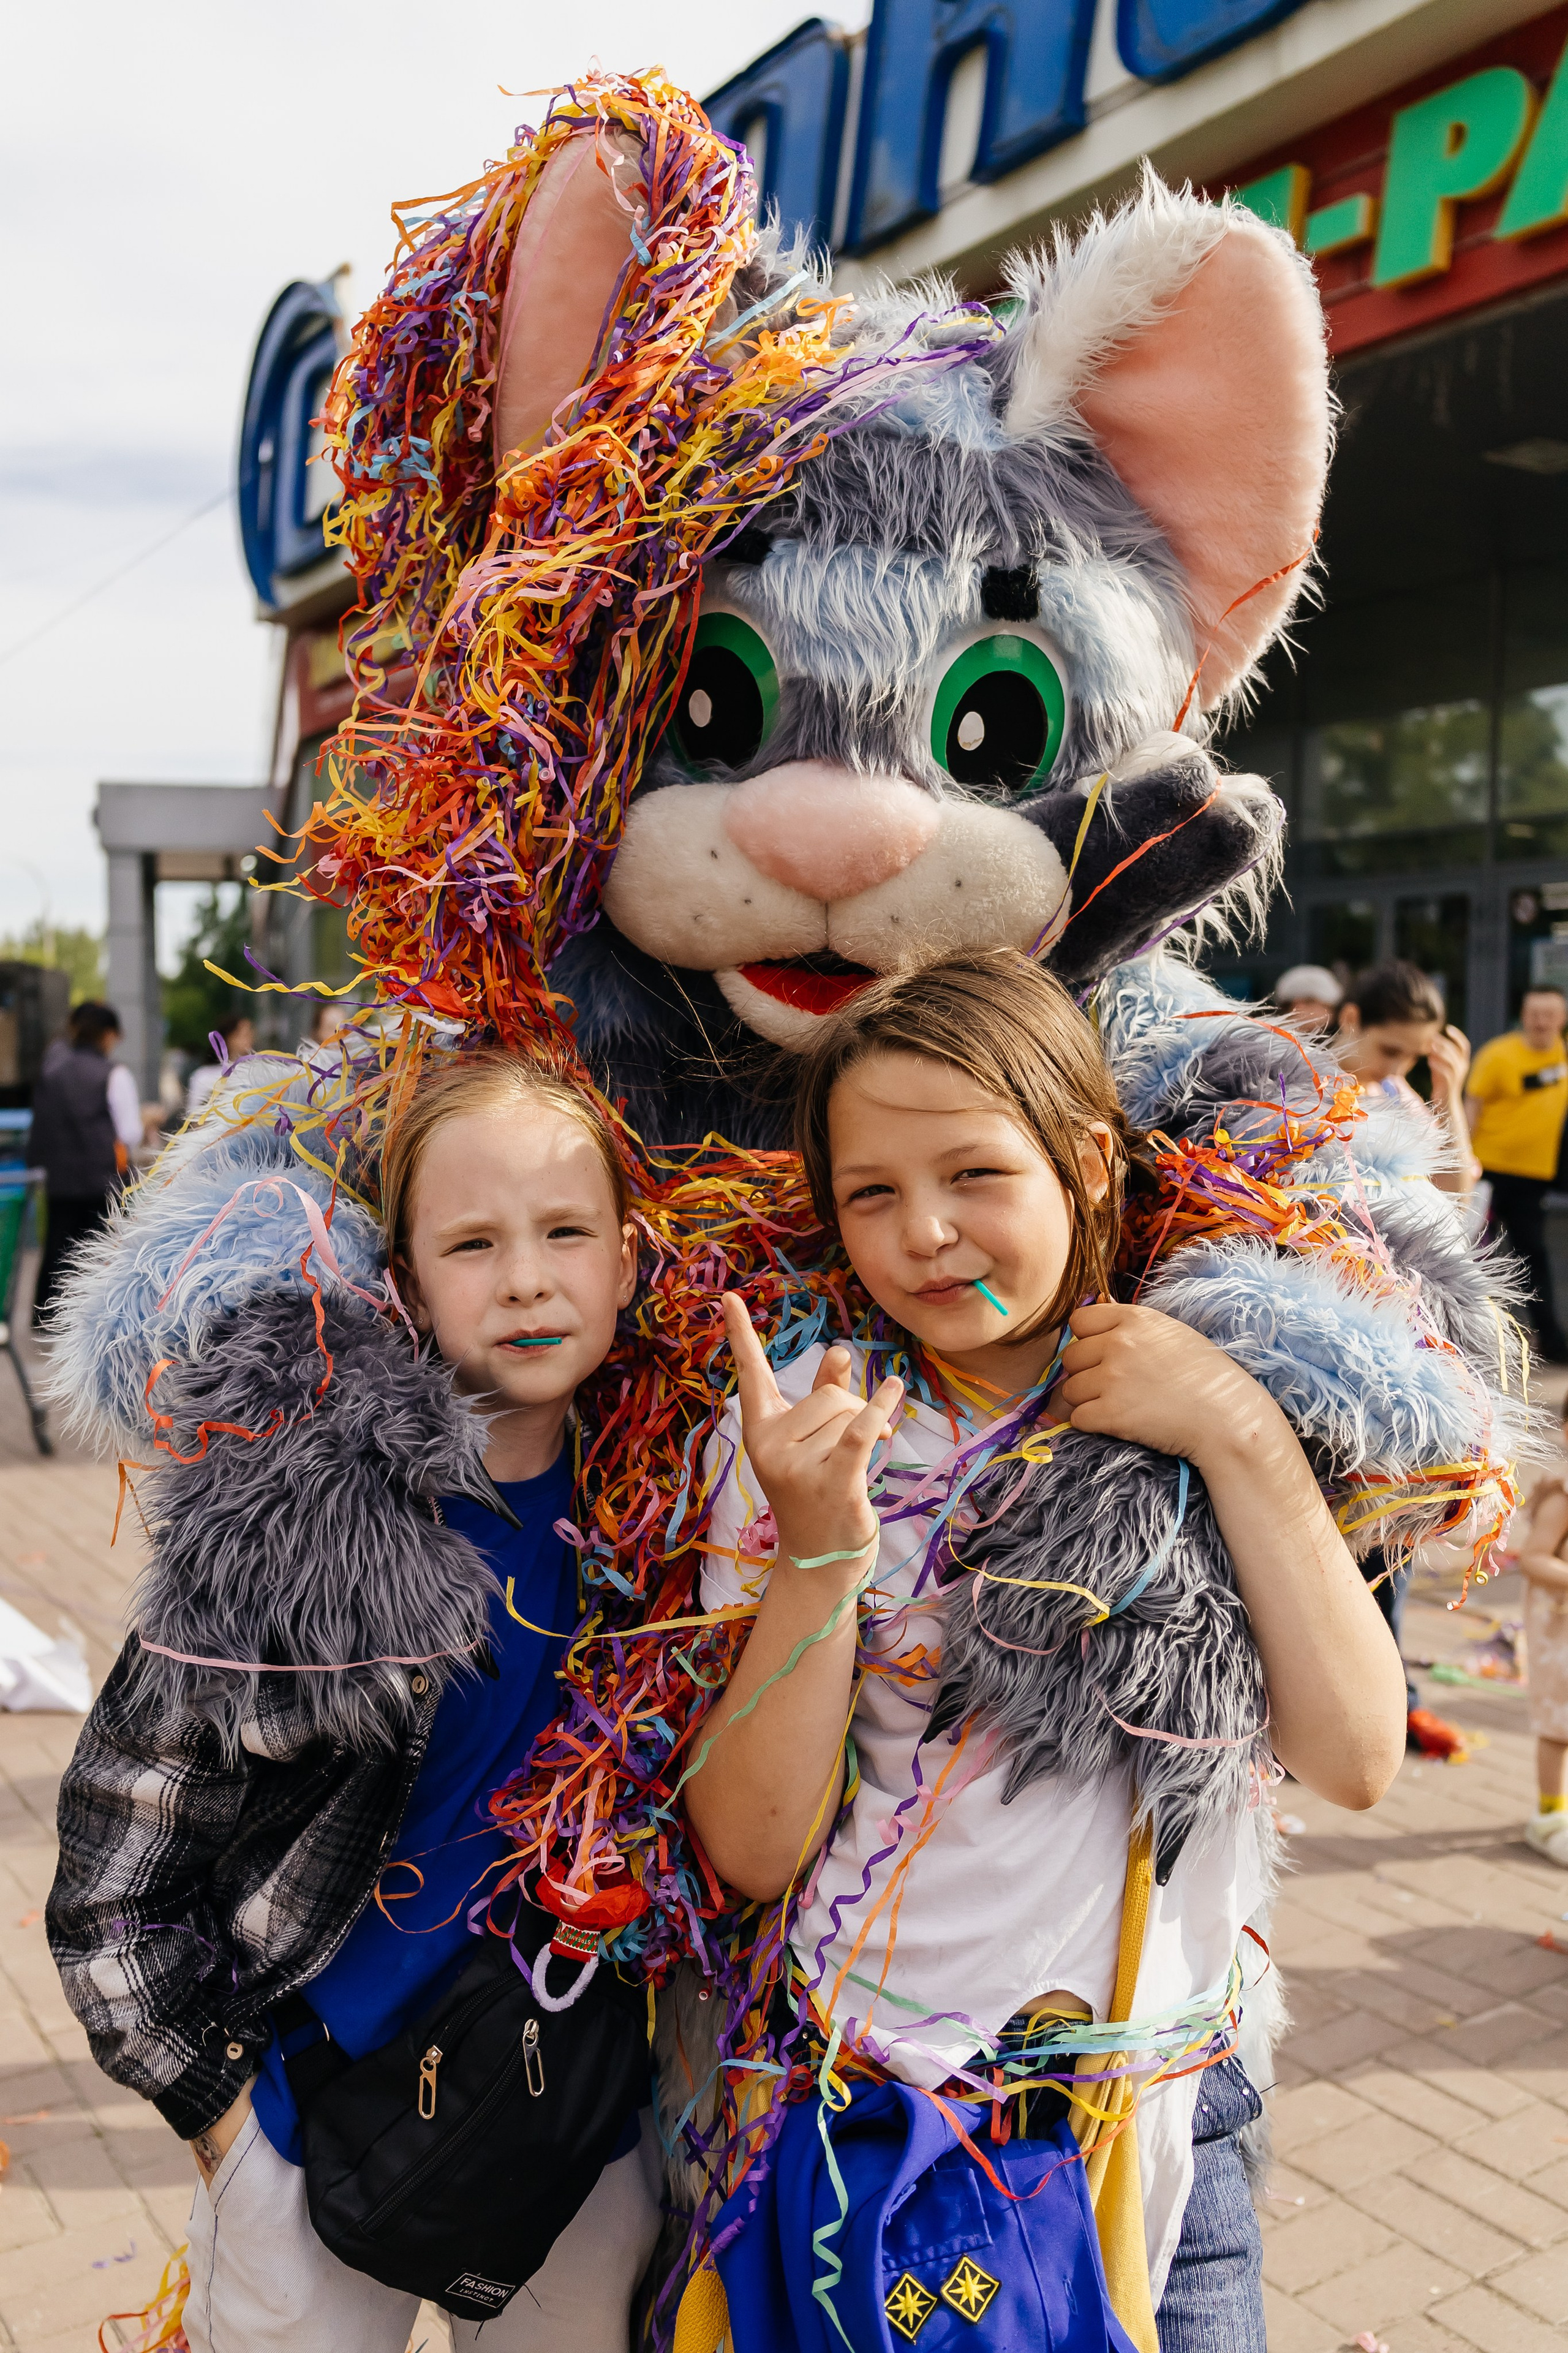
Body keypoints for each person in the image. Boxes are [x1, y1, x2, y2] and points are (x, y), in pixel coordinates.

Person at [684, 953, 1405, 2352]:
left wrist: (1231, 1430)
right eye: (871, 1192)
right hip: (890, 2124)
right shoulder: (805, 1435)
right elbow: (753, 1843)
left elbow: (1358, 1755)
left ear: (1081, 1160)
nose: (925, 1233)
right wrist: (818, 1548)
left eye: (972, 1172)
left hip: (1166, 2115)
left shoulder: (1206, 1387)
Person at [48, 1054, 660, 2353]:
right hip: (307, 2113)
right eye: (472, 1242)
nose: (527, 1278)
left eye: (565, 1232)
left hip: (566, 2123)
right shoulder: (297, 1520)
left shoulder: (663, 1511)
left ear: (627, 1253)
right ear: (406, 1279)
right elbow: (119, 1841)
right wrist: (220, 2114)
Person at [1335, 962, 1477, 1756]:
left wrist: (1446, 1091)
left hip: (1409, 1334)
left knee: (1395, 1538)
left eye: (1414, 1055)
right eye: (1391, 1048)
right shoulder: (1299, 1088)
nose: (1398, 1067)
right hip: (1344, 1342)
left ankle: (1391, 1698)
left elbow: (1458, 1185)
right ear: (1351, 1016)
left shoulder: (1398, 1095)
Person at [1465, 985, 1568, 1364]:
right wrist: (1462, 1162)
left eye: (1550, 1014)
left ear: (1562, 1019)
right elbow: (1470, 1108)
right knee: (1477, 1255)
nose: (1542, 1021)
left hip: (1532, 1177)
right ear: (1523, 1016)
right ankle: (1473, 1339)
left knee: (1532, 1257)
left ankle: (1551, 1342)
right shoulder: (1498, 1055)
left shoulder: (1564, 1056)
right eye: (1534, 1013)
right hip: (1487, 1172)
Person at [29, 1000, 143, 1327]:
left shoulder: (52, 1072)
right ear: (108, 1035)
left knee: (58, 1245)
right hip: (102, 1179)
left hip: (60, 1178)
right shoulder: (114, 1073)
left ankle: (47, 1316)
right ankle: (92, 1320)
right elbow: (130, 1132)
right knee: (98, 1249)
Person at [1500, 1418, 1568, 1868]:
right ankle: (1550, 1814)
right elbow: (1534, 1558)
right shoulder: (1563, 1497)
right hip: (1559, 1633)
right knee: (1559, 1725)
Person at [184, 1011, 256, 1120]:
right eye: (243, 1035)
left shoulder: (256, 1073)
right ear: (229, 1038)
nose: (250, 1039)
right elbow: (194, 1118)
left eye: (250, 1033)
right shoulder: (203, 1076)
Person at [1273, 963, 1342, 1034]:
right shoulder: (1271, 1041)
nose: (1297, 1009)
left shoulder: (1344, 1040)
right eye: (1288, 1006)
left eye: (1308, 1002)